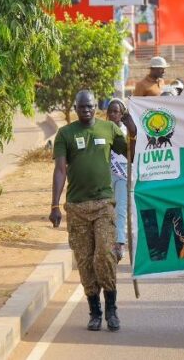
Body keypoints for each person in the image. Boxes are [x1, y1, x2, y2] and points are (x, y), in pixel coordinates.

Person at [51, 90, 131, 331]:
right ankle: (94, 311)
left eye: (90, 106)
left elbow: (131, 154)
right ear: (76, 108)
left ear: (96, 106)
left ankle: (112, 310)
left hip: (104, 204)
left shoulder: (109, 129)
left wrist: (132, 130)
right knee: (85, 261)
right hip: (76, 207)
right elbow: (60, 169)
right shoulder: (65, 134)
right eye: (81, 107)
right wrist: (54, 205)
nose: (86, 110)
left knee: (105, 254)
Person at [106, 99, 137, 261]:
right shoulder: (103, 129)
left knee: (121, 210)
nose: (112, 114)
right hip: (106, 175)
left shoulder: (127, 130)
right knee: (107, 210)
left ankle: (119, 242)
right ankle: (106, 241)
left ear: (122, 113)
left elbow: (133, 151)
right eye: (110, 111)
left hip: (123, 175)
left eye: (116, 111)